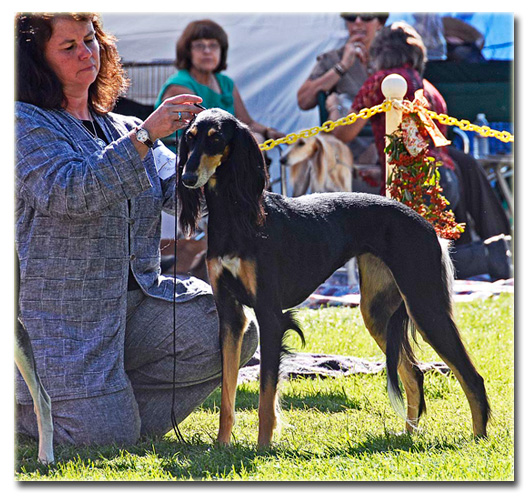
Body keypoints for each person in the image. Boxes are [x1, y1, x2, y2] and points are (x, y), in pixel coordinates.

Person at [15, 12, 258, 447]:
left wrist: (223, 161)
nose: (86, 52)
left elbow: (181, 196)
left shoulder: (121, 126)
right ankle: (34, 408)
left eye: (89, 40)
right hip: (67, 324)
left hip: (141, 304)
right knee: (107, 435)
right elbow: (72, 192)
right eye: (68, 47)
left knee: (234, 328)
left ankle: (105, 408)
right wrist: (146, 136)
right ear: (34, 62)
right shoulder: (21, 124)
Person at [329, 22, 511, 280]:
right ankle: (488, 254)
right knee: (425, 257)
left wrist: (334, 107)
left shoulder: (382, 82)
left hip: (412, 181)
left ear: (380, 52)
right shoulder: (430, 89)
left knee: (408, 261)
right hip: (447, 179)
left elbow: (343, 133)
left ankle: (487, 256)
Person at [155, 19, 283, 141]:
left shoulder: (226, 83)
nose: (207, 51)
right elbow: (201, 129)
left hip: (221, 147)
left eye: (213, 45)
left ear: (222, 51)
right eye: (200, 46)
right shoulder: (180, 85)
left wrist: (267, 132)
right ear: (188, 52)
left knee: (257, 139)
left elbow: (247, 122)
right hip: (181, 155)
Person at [297, 13, 388, 162]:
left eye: (366, 16)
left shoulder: (393, 58)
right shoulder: (332, 59)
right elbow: (303, 101)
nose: (358, 22)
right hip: (347, 155)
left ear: (380, 22)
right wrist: (342, 66)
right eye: (351, 16)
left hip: (388, 147)